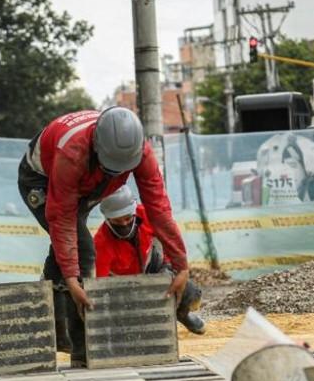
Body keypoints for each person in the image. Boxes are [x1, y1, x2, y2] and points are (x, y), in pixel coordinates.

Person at [17, 108, 189, 366]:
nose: (115, 172)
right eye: (111, 167)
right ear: (98, 147)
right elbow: (62, 220)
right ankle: (80, 347)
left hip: (90, 181)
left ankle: (55, 323)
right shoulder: (72, 153)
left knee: (71, 248)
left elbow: (158, 208)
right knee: (82, 248)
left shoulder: (140, 151)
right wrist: (74, 281)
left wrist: (181, 265)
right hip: (40, 178)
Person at [94, 186, 206, 335]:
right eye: (117, 221)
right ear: (107, 219)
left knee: (192, 294)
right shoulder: (101, 243)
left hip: (153, 268)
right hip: (125, 287)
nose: (124, 224)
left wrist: (173, 267)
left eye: (127, 218)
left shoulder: (147, 215)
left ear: (134, 211)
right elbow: (99, 285)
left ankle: (182, 315)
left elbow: (170, 238)